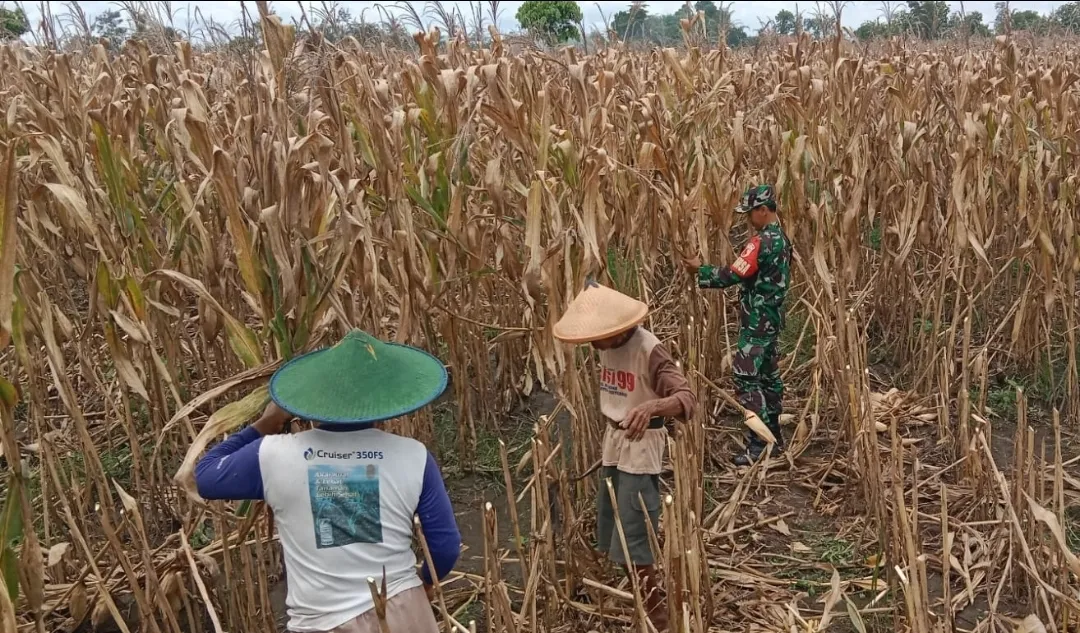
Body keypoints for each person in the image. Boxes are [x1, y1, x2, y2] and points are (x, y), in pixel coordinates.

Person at [195, 329, 461, 633]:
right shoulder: (414, 456)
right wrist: (424, 584)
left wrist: (268, 422)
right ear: (384, 398)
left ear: (314, 397)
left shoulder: (273, 456)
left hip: (321, 623)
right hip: (402, 610)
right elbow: (445, 547)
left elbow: (206, 476)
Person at [553, 281, 696, 632]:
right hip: (615, 441)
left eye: (597, 336)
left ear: (617, 330)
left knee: (635, 527)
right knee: (612, 519)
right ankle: (636, 589)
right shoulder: (607, 345)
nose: (592, 344)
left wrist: (652, 407)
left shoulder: (649, 350)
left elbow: (687, 399)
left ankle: (657, 615)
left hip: (641, 447)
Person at [684, 184, 792, 467]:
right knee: (769, 378)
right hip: (772, 319)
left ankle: (759, 444)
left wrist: (700, 270)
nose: (748, 219)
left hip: (756, 322)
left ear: (763, 210)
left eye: (750, 213)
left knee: (746, 378)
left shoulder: (761, 242)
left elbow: (733, 274)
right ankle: (775, 437)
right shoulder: (782, 239)